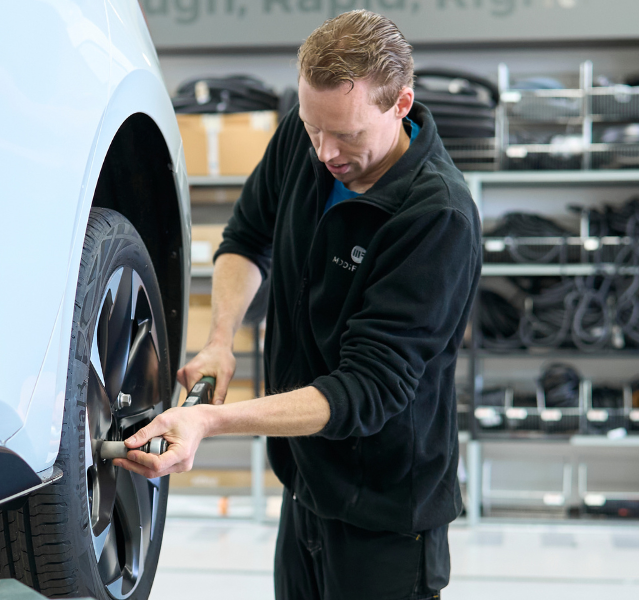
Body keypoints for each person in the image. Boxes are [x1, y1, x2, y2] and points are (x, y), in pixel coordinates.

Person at [115, 10, 481, 600]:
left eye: (347, 135)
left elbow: (365, 390)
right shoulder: (305, 136)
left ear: (401, 104)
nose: (325, 151)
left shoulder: (437, 217)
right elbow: (246, 238)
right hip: (304, 485)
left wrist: (210, 421)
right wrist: (219, 340)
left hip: (384, 514)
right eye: (314, 128)